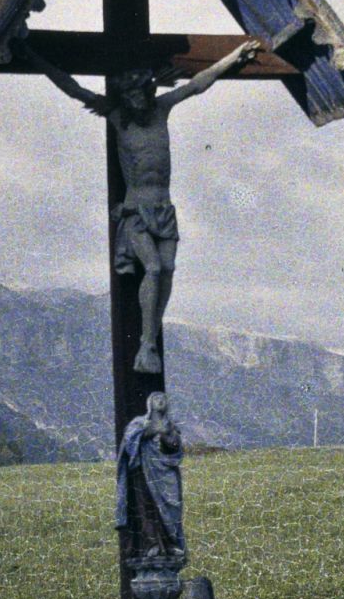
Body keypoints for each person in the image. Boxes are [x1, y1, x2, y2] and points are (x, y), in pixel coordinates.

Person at [19, 35, 261, 372]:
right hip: (136, 211)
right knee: (155, 268)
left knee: (169, 270)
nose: (134, 99)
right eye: (128, 95)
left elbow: (197, 84)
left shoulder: (162, 109)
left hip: (164, 208)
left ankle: (150, 341)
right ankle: (146, 344)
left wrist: (234, 56)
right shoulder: (120, 120)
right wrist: (34, 58)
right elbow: (73, 89)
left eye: (138, 93)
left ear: (147, 92)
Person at [115, 390, 185, 554]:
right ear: (150, 403)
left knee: (171, 507)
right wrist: (149, 431)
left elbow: (175, 448)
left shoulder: (170, 425)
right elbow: (129, 441)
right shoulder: (140, 423)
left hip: (165, 472)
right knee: (147, 507)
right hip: (144, 471)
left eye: (163, 398)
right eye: (156, 398)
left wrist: (168, 436)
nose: (160, 401)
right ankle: (152, 543)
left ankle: (171, 544)